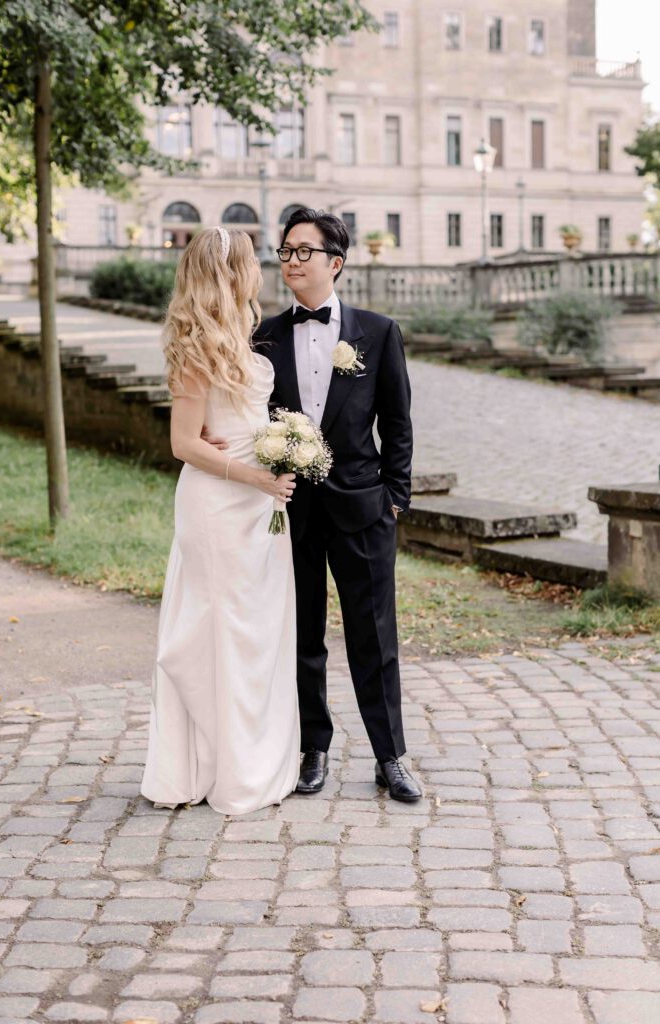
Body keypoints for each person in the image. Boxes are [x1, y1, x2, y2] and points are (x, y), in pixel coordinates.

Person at [254, 208, 422, 802]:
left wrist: (394, 498)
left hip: (364, 508)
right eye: (286, 251)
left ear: (335, 263)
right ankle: (312, 749)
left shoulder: (378, 332)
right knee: (300, 634)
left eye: (304, 251)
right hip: (291, 510)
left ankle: (390, 755)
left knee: (375, 637)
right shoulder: (265, 336)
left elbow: (398, 424)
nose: (292, 261)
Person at [139, 226, 300, 816]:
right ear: (229, 274)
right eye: (252, 263)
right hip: (219, 503)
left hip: (261, 505)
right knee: (220, 631)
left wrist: (282, 451)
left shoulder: (242, 335)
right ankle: (214, 768)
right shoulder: (194, 345)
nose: (261, 270)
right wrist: (254, 474)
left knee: (258, 628)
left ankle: (251, 757)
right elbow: (184, 442)